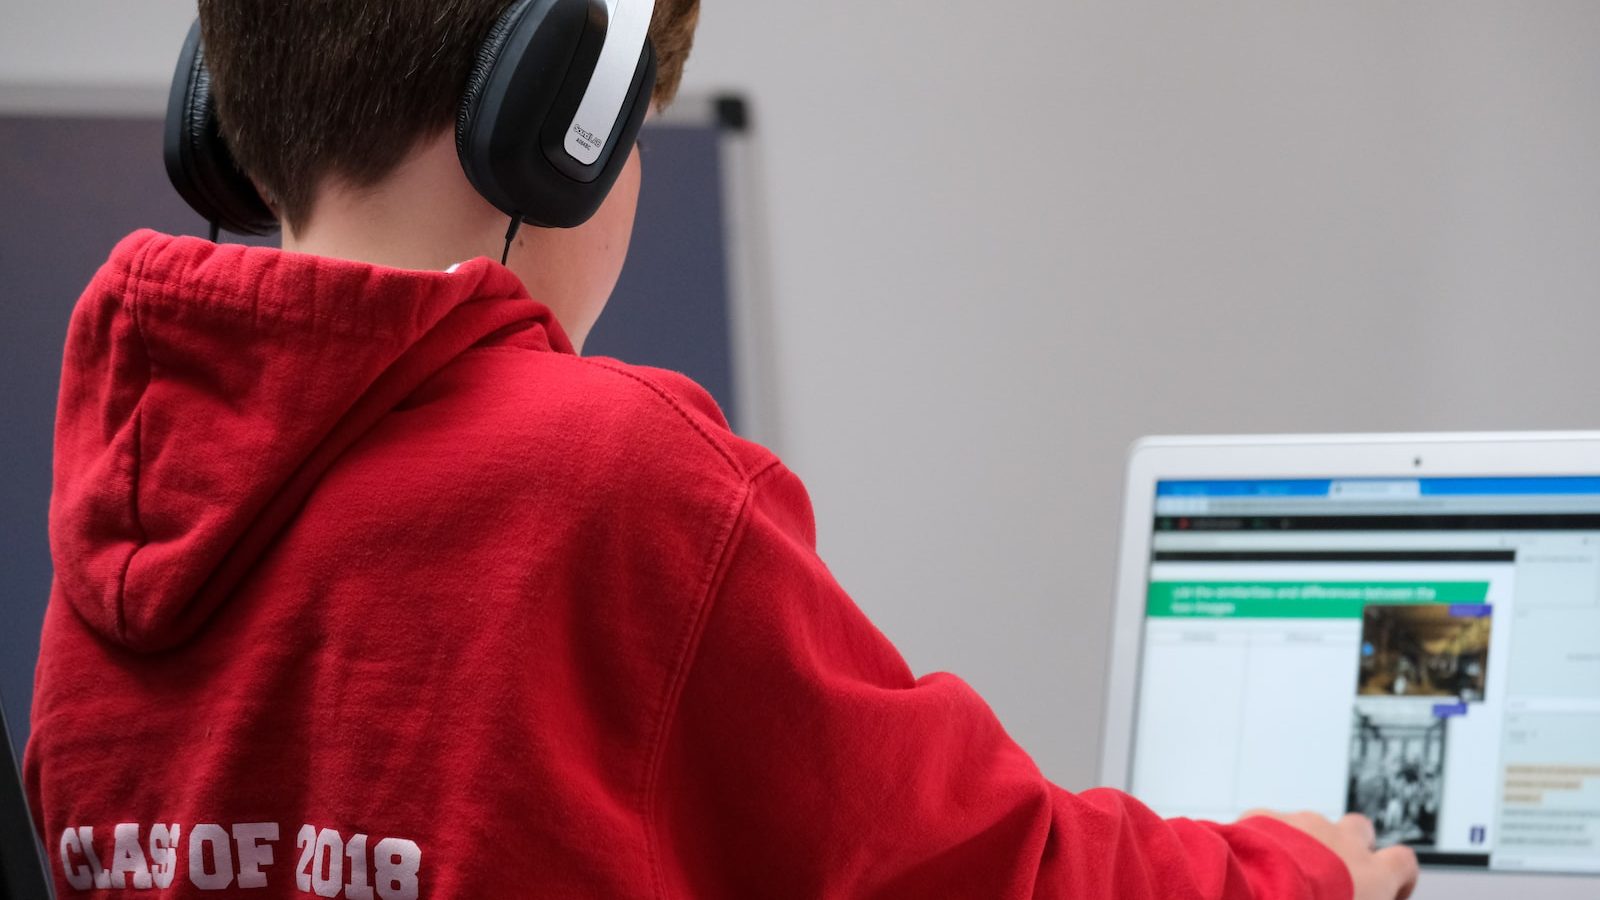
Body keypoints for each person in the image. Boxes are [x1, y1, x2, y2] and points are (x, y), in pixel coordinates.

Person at [25, 2, 1419, 898]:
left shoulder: (126, 488)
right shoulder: (604, 478)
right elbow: (983, 867)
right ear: (552, 132)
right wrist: (1296, 872)